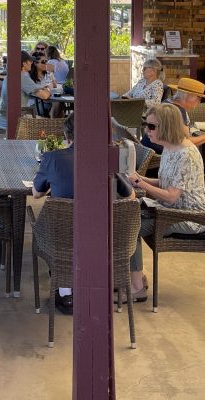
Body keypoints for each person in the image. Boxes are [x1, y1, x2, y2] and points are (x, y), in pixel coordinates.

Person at [32, 112, 133, 314]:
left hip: (62, 238)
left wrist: (56, 184)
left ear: (67, 136)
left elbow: (36, 193)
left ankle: (65, 289)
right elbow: (129, 196)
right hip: (105, 238)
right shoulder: (108, 157)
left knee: (59, 225)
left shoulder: (51, 158)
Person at [128, 103, 205, 300]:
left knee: (130, 227)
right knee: (126, 216)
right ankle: (134, 277)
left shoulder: (185, 155)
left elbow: (171, 195)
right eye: (146, 125)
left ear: (167, 127)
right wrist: (139, 177)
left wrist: (140, 184)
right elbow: (164, 182)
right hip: (170, 209)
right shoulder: (171, 147)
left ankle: (137, 287)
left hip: (189, 217)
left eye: (152, 126)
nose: (147, 131)